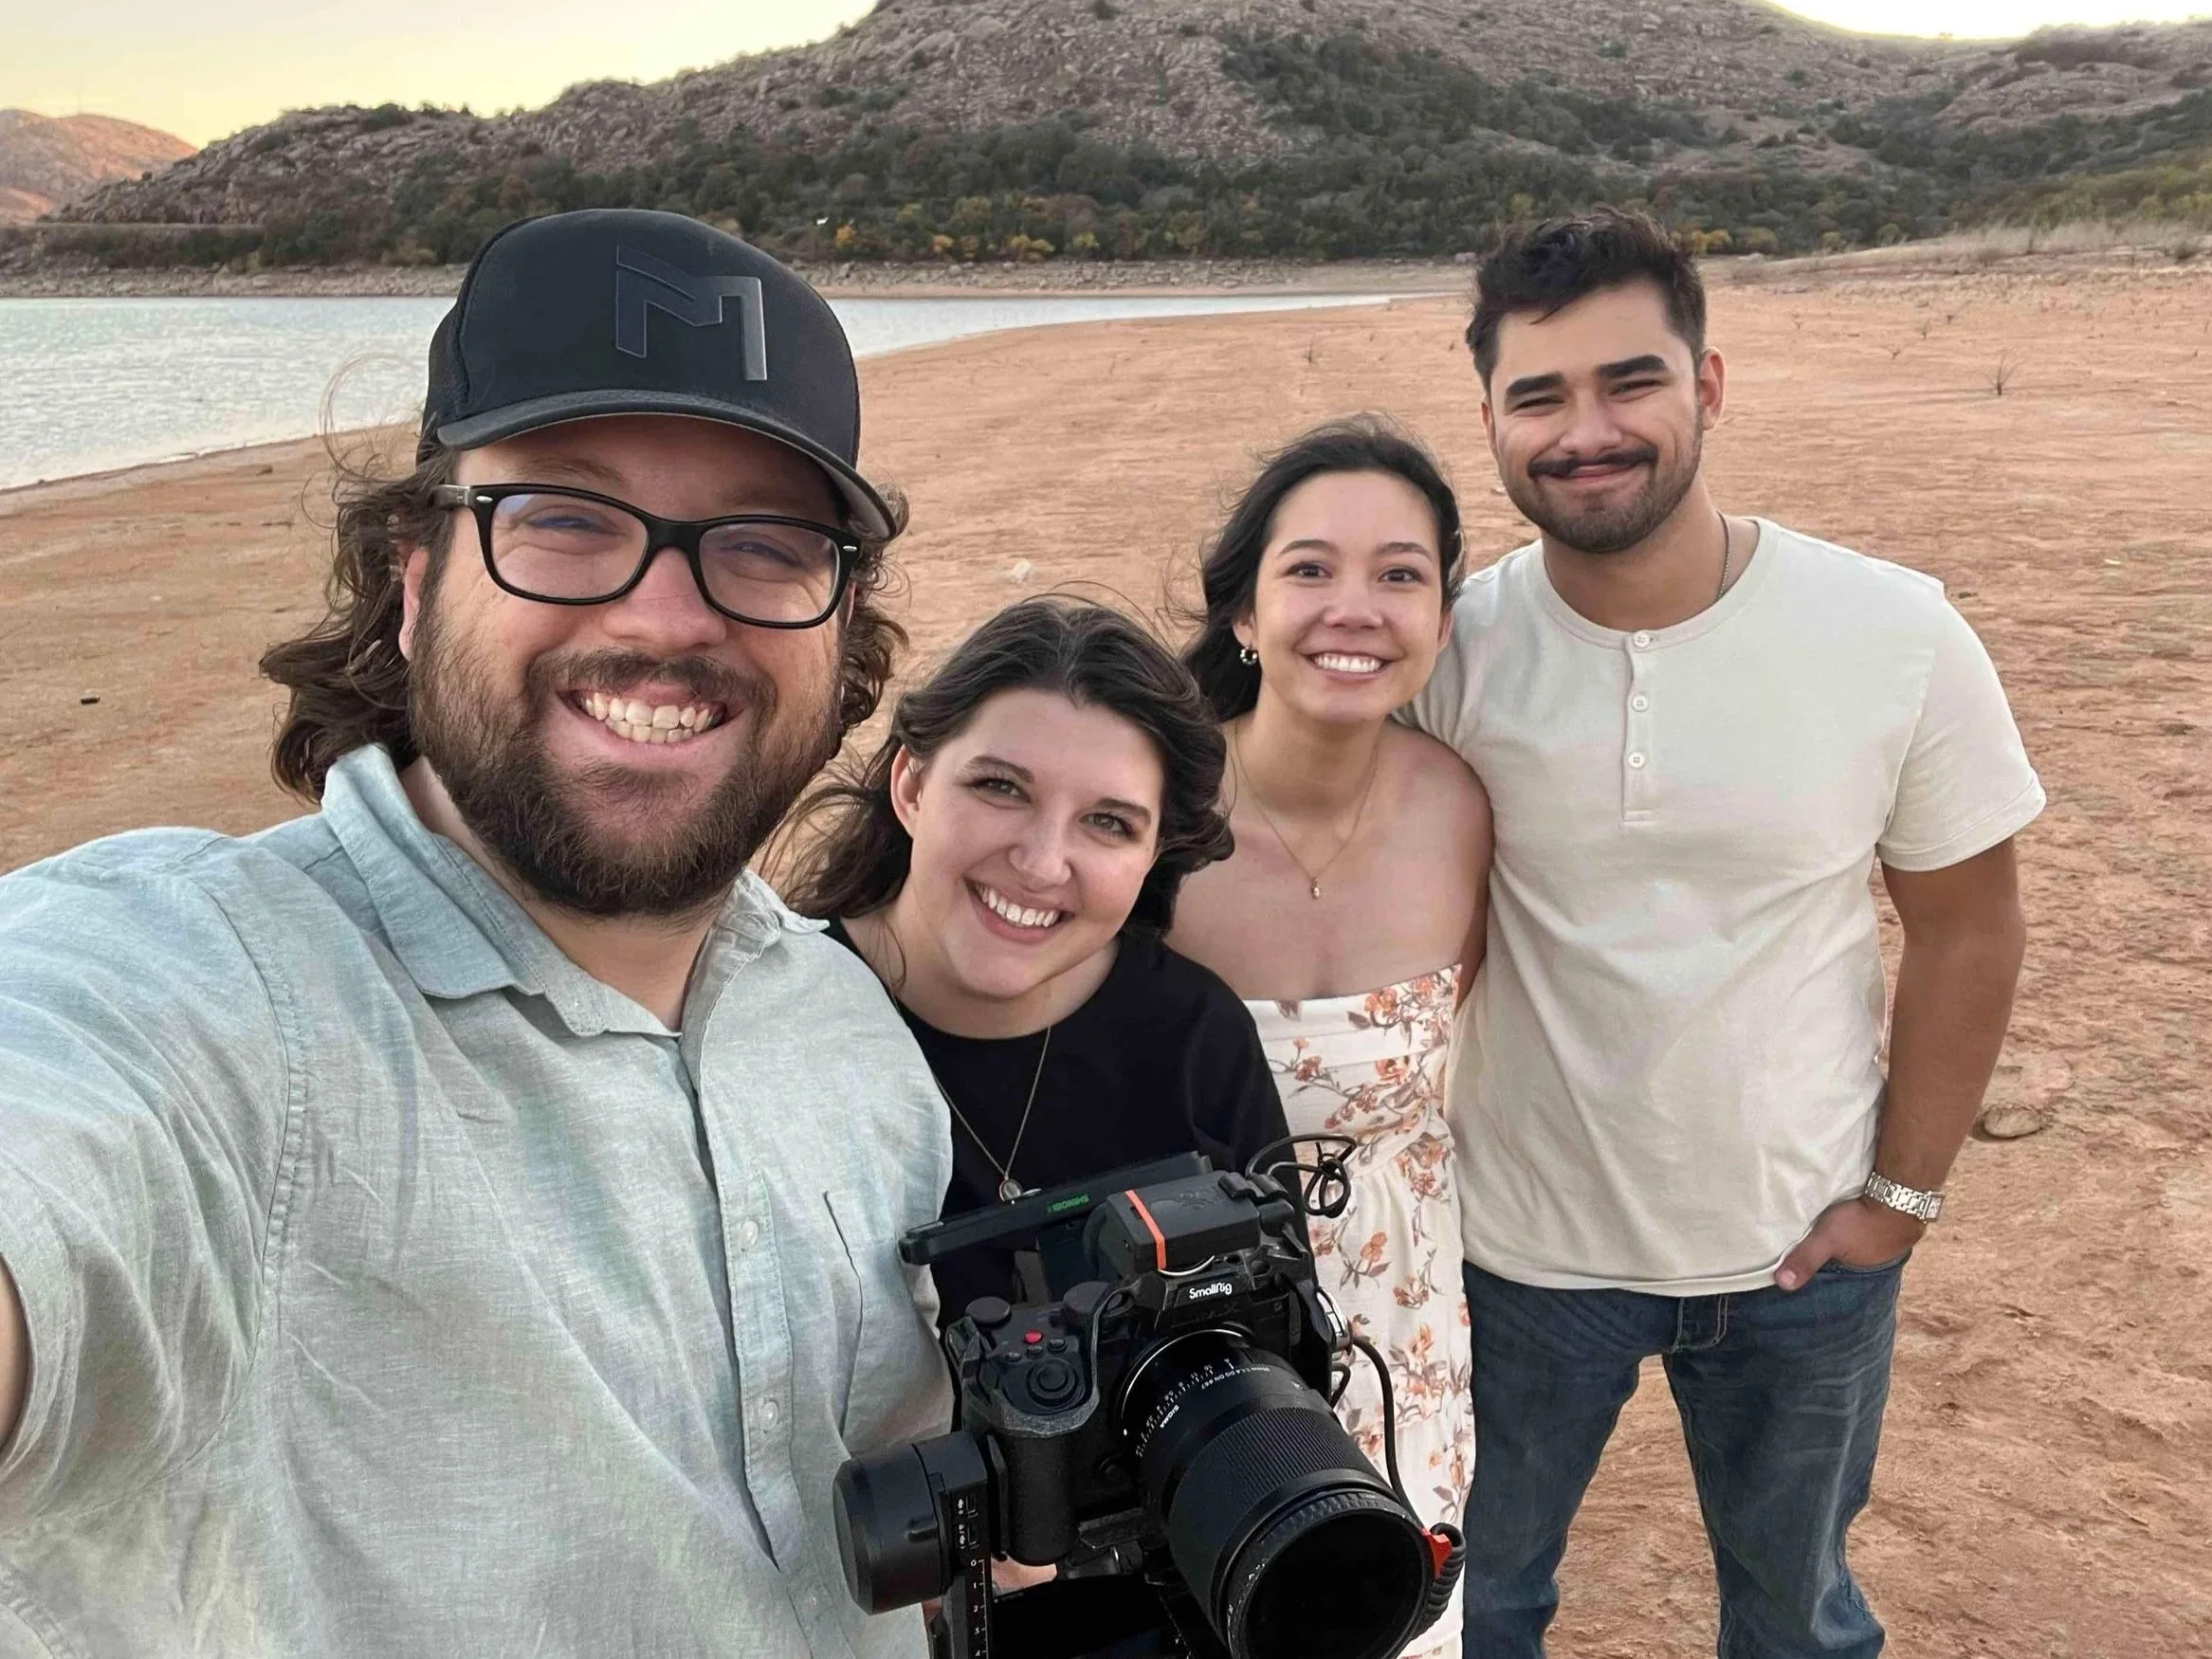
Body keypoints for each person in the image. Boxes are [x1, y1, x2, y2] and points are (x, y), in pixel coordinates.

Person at [0, 210, 954, 1658]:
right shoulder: (213, 988)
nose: (662, 613)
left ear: (840, 622)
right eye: (566, 517)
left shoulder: (847, 1026)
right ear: (412, 572)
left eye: (762, 545)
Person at [1401, 208, 2044, 1659]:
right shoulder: (1449, 649)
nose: (1586, 430)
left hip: (1797, 1252)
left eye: (1629, 380)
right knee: (1468, 1607)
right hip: (1513, 1252)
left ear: (1708, 383)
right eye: (1538, 396)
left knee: (1795, 1614)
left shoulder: (1891, 630)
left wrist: (1904, 1197)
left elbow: (1966, 927)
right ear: (1492, 421)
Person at [1167, 417, 1492, 1659]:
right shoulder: (1142, 813)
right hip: (1190, 1320)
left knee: (1385, 1611)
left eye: (1399, 574)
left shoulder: (1461, 808)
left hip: (1401, 1314)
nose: (1353, 606)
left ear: (1441, 623)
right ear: (1243, 612)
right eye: (1309, 569)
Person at [781, 596, 1290, 1328]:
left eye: (1108, 823)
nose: (1042, 863)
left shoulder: (1194, 1037)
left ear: (1153, 857)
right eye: (999, 788)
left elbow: (1272, 1337)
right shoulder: (771, 1025)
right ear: (912, 787)